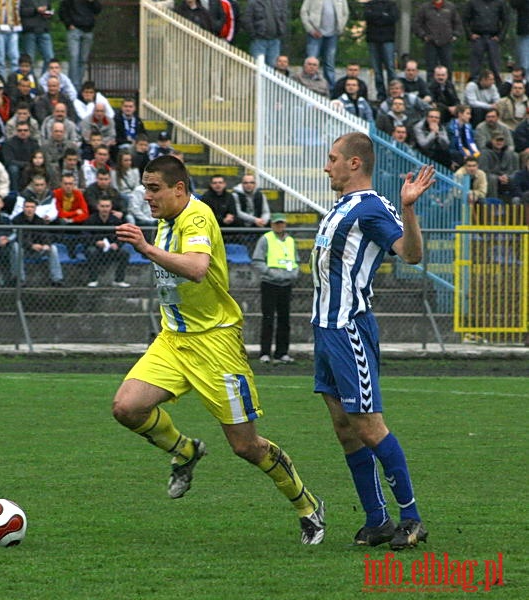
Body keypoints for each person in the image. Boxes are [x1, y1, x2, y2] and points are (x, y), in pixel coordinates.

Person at [112, 155, 325, 544]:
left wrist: (145, 248)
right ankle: (185, 451)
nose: (146, 196)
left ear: (179, 188)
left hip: (215, 343)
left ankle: (307, 504)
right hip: (174, 338)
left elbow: (195, 268)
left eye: (154, 188)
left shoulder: (196, 216)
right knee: (127, 407)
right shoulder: (167, 218)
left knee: (245, 446)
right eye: (144, 188)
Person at [316, 133, 435, 550]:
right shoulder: (342, 207)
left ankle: (411, 518)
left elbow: (411, 254)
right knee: (344, 429)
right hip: (325, 329)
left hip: (349, 328)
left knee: (368, 426)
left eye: (332, 159)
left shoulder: (372, 208)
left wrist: (407, 209)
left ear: (353, 164)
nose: (326, 166)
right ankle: (377, 519)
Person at [252, 213, 298, 364]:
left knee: (285, 320)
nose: (279, 226)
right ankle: (265, 353)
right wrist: (271, 273)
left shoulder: (291, 241)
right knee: (268, 319)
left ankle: (282, 353)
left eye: (281, 223)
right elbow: (258, 261)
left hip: (286, 284)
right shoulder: (265, 239)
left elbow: (296, 260)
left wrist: (292, 274)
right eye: (277, 223)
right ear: (272, 225)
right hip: (269, 284)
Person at [300, 0, 348, 89]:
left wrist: (340, 28)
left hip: (332, 35)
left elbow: (345, 13)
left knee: (330, 64)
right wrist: (311, 30)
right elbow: (304, 12)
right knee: (311, 62)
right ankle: (306, 86)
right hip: (315, 34)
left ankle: (330, 90)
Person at [463, 0, 509, 85]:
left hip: (493, 37)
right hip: (478, 37)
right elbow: (465, 20)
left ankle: (497, 87)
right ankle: (473, 85)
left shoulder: (500, 3)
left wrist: (500, 36)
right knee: (475, 66)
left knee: (495, 65)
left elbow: (506, 21)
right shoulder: (472, 3)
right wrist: (470, 35)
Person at [59, 0, 103, 88]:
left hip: (88, 30)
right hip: (74, 30)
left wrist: (92, 2)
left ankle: (78, 85)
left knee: (83, 60)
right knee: (73, 57)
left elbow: (98, 10)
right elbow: (62, 10)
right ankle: (72, 85)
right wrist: (69, 24)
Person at [413, 0, 463, 75]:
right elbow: (416, 24)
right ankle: (430, 86)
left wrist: (455, 35)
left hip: (446, 42)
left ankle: (448, 86)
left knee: (447, 68)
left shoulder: (450, 7)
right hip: (430, 43)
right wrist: (423, 36)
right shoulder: (424, 8)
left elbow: (458, 23)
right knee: (431, 68)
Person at [363, 0, 398, 102]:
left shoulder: (391, 4)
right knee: (377, 70)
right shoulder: (369, 4)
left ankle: (393, 93)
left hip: (388, 39)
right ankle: (381, 94)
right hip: (373, 39)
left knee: (390, 68)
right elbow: (368, 17)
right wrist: (383, 16)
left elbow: (393, 18)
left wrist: (377, 17)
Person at [242, 0, 288, 70]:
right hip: (259, 41)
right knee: (258, 68)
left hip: (275, 41)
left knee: (273, 69)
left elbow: (283, 17)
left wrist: (282, 30)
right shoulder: (253, 2)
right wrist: (253, 34)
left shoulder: (279, 2)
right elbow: (247, 19)